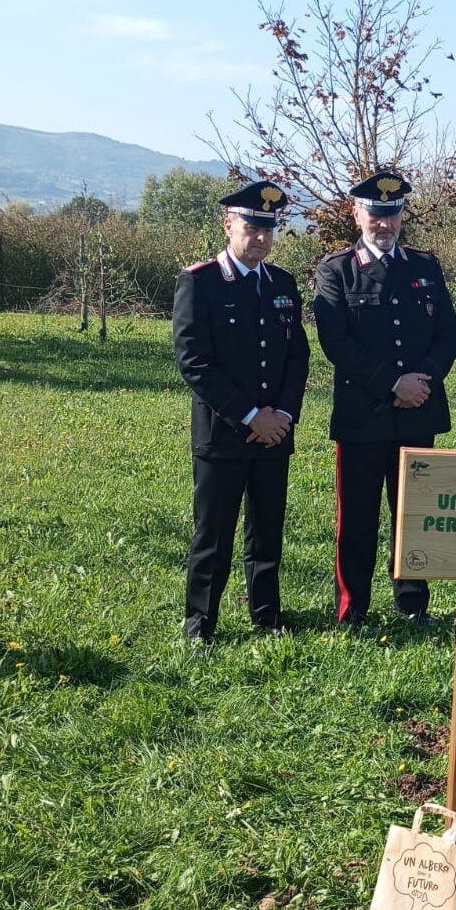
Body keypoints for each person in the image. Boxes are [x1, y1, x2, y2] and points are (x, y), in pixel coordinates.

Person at [313, 171, 456, 627]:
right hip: (363, 417)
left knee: (414, 516)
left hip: (419, 414)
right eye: (375, 215)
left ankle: (414, 606)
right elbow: (336, 342)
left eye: (392, 215)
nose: (385, 224)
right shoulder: (335, 269)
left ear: (402, 216)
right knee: (356, 518)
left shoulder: (425, 266)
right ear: (357, 213)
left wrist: (423, 381)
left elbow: (447, 335)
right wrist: (392, 384)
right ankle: (352, 609)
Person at [173, 180, 310, 649]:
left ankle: (266, 614)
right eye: (252, 228)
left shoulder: (282, 284)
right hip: (224, 433)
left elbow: (297, 359)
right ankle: (200, 624)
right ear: (228, 224)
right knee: (213, 533)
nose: (262, 239)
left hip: (275, 433)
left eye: (269, 230)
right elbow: (195, 362)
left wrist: (283, 415)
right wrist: (252, 416)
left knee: (267, 529)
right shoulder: (201, 282)